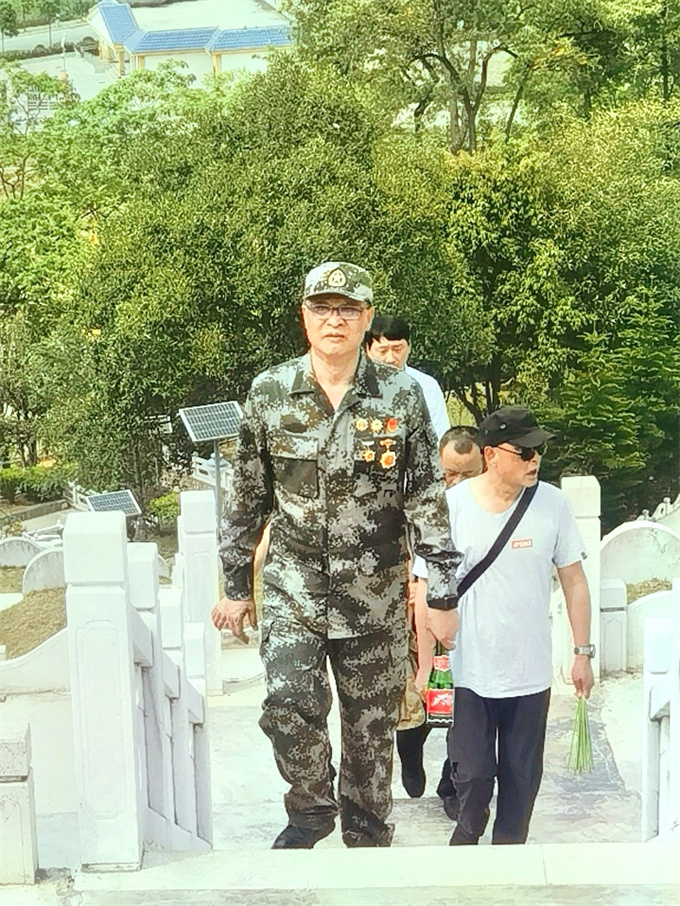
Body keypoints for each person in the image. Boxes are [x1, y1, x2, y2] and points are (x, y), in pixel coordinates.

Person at [211, 261, 461, 850]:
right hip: (293, 587)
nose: (334, 320)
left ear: (366, 319)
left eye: (348, 309)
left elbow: (426, 496)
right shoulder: (270, 392)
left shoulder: (401, 395)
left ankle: (367, 832)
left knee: (370, 728)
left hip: (375, 593)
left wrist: (443, 592)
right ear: (304, 316)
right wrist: (236, 586)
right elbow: (246, 496)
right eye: (322, 308)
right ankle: (310, 808)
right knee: (287, 705)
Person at [413, 405, 595, 845]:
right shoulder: (451, 506)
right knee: (473, 778)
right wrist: (425, 666)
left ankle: (509, 865)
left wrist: (582, 654)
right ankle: (466, 845)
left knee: (521, 785)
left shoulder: (552, 504)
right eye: (524, 452)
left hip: (529, 675)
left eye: (538, 452)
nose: (535, 460)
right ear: (491, 455)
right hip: (469, 673)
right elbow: (424, 590)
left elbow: (574, 581)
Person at [397, 426, 483, 805]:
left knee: (466, 707)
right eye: (450, 473)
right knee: (423, 702)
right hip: (417, 619)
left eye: (469, 474)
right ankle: (410, 751)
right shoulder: (419, 505)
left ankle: (453, 782)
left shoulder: (492, 505)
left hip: (474, 623)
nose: (458, 483)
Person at [365, 316, 450, 440]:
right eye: (382, 351)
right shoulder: (352, 385)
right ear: (367, 350)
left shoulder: (427, 387)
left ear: (409, 347)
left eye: (397, 349)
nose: (390, 359)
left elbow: (440, 439)